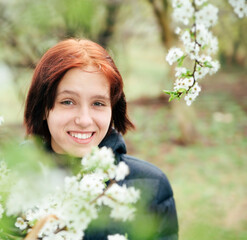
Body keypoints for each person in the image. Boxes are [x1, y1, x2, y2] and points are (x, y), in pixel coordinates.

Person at [24, 38, 178, 240]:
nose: (84, 120)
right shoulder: (8, 182)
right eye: (68, 102)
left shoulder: (151, 186)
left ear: (113, 109)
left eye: (98, 103)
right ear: (44, 108)